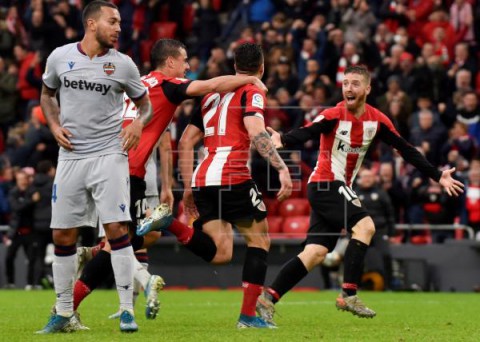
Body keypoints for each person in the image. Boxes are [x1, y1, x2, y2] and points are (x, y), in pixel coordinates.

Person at [71, 38, 269, 320]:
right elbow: (211, 86)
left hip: (103, 164)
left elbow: (164, 136)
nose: (188, 66)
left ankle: (94, 299)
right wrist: (250, 79)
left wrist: (170, 184)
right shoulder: (168, 85)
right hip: (125, 171)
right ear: (170, 62)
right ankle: (68, 306)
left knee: (134, 238)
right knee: (118, 245)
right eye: (184, 60)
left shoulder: (139, 85)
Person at [254, 65, 464, 325]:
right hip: (325, 183)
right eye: (345, 83)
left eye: (355, 83)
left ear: (367, 88)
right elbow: (309, 130)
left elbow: (406, 150)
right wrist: (283, 140)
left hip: (335, 187)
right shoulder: (333, 114)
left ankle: (267, 299)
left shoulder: (377, 120)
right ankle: (349, 294)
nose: (348, 88)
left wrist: (437, 175)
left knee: (316, 253)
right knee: (365, 226)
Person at [137, 42, 292, 328]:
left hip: (202, 179)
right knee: (260, 241)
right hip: (232, 175)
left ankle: (169, 222)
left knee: (221, 252)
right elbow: (256, 131)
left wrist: (187, 187)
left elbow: (185, 142)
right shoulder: (252, 90)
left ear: (234, 67)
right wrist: (281, 168)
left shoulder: (210, 97)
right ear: (261, 68)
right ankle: (247, 317)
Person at [37, 1, 153, 334]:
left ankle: (127, 310)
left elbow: (145, 107)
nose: (120, 28)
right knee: (62, 234)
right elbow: (47, 94)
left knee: (116, 229)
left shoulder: (124, 64)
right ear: (91, 23)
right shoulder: (60, 57)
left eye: (120, 22)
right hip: (71, 156)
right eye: (113, 22)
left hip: (109, 155)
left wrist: (138, 125)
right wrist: (54, 125)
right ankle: (63, 314)